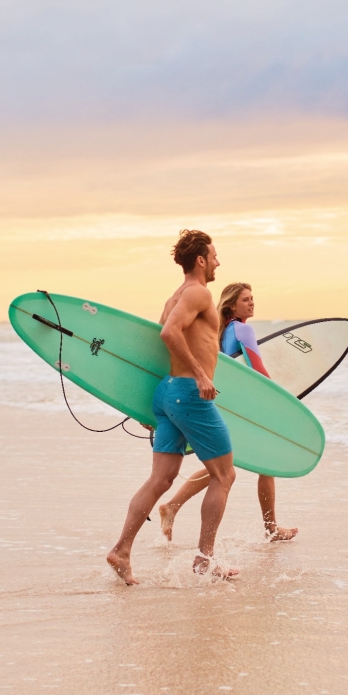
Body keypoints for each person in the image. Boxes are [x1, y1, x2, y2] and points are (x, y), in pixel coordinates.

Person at [107, 229, 237, 584]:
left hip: (169, 394)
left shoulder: (174, 297)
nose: (217, 262)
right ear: (200, 260)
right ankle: (204, 560)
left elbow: (156, 348)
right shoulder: (198, 293)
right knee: (224, 475)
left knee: (162, 478)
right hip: (189, 394)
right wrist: (200, 375)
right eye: (213, 256)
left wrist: (156, 407)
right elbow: (168, 335)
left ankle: (121, 550)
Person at [159, 283, 298, 542]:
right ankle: (271, 528)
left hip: (228, 401)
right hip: (249, 404)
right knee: (255, 465)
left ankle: (173, 506)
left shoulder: (223, 331)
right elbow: (256, 367)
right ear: (232, 305)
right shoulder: (244, 329)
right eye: (246, 300)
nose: (251, 303)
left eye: (252, 298)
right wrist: (281, 399)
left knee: (225, 464)